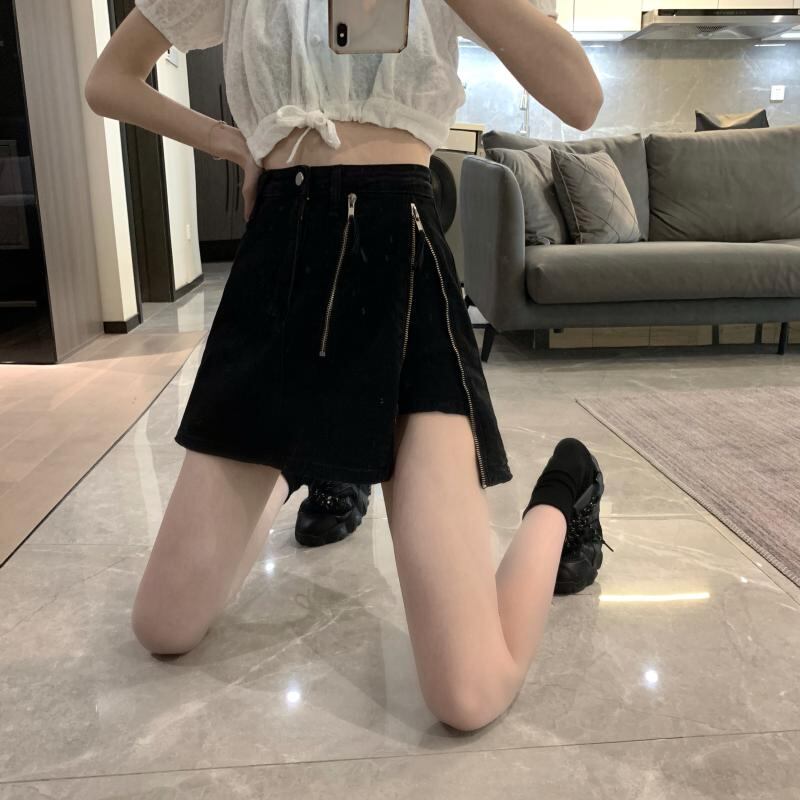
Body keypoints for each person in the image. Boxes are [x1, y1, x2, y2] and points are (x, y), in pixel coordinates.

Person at [85, 0, 608, 732]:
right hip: (279, 261)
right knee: (163, 626)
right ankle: (312, 453)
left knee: (468, 694)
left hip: (399, 255)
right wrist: (231, 142)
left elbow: (581, 98)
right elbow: (109, 79)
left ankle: (567, 486)